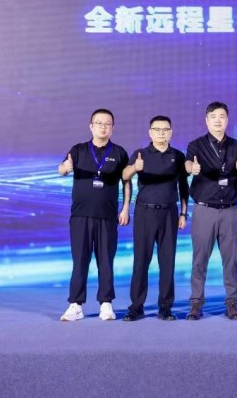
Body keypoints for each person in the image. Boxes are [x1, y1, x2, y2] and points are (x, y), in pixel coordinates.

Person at [58, 108, 130, 322]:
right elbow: (62, 169)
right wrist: (64, 168)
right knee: (80, 260)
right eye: (99, 123)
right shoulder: (78, 150)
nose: (103, 127)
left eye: (107, 123)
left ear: (112, 128)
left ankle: (106, 304)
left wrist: (126, 208)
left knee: (106, 261)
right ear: (91, 126)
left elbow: (126, 182)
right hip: (80, 215)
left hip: (107, 216)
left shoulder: (119, 152)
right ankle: (75, 304)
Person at [121, 115, 189, 322]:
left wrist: (183, 213)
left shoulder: (178, 156)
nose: (161, 133)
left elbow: (183, 186)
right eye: (157, 129)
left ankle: (165, 307)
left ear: (171, 132)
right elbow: (124, 176)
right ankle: (136, 306)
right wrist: (134, 168)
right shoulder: (140, 154)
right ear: (150, 132)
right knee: (141, 261)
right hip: (145, 212)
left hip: (169, 213)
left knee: (167, 262)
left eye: (165, 129)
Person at [184, 102, 237, 320]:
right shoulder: (196, 145)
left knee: (231, 260)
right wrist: (191, 168)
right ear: (206, 120)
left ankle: (232, 303)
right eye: (213, 117)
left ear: (227, 120)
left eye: (222, 116)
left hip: (229, 210)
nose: (218, 120)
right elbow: (187, 164)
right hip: (205, 210)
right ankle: (196, 303)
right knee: (199, 259)